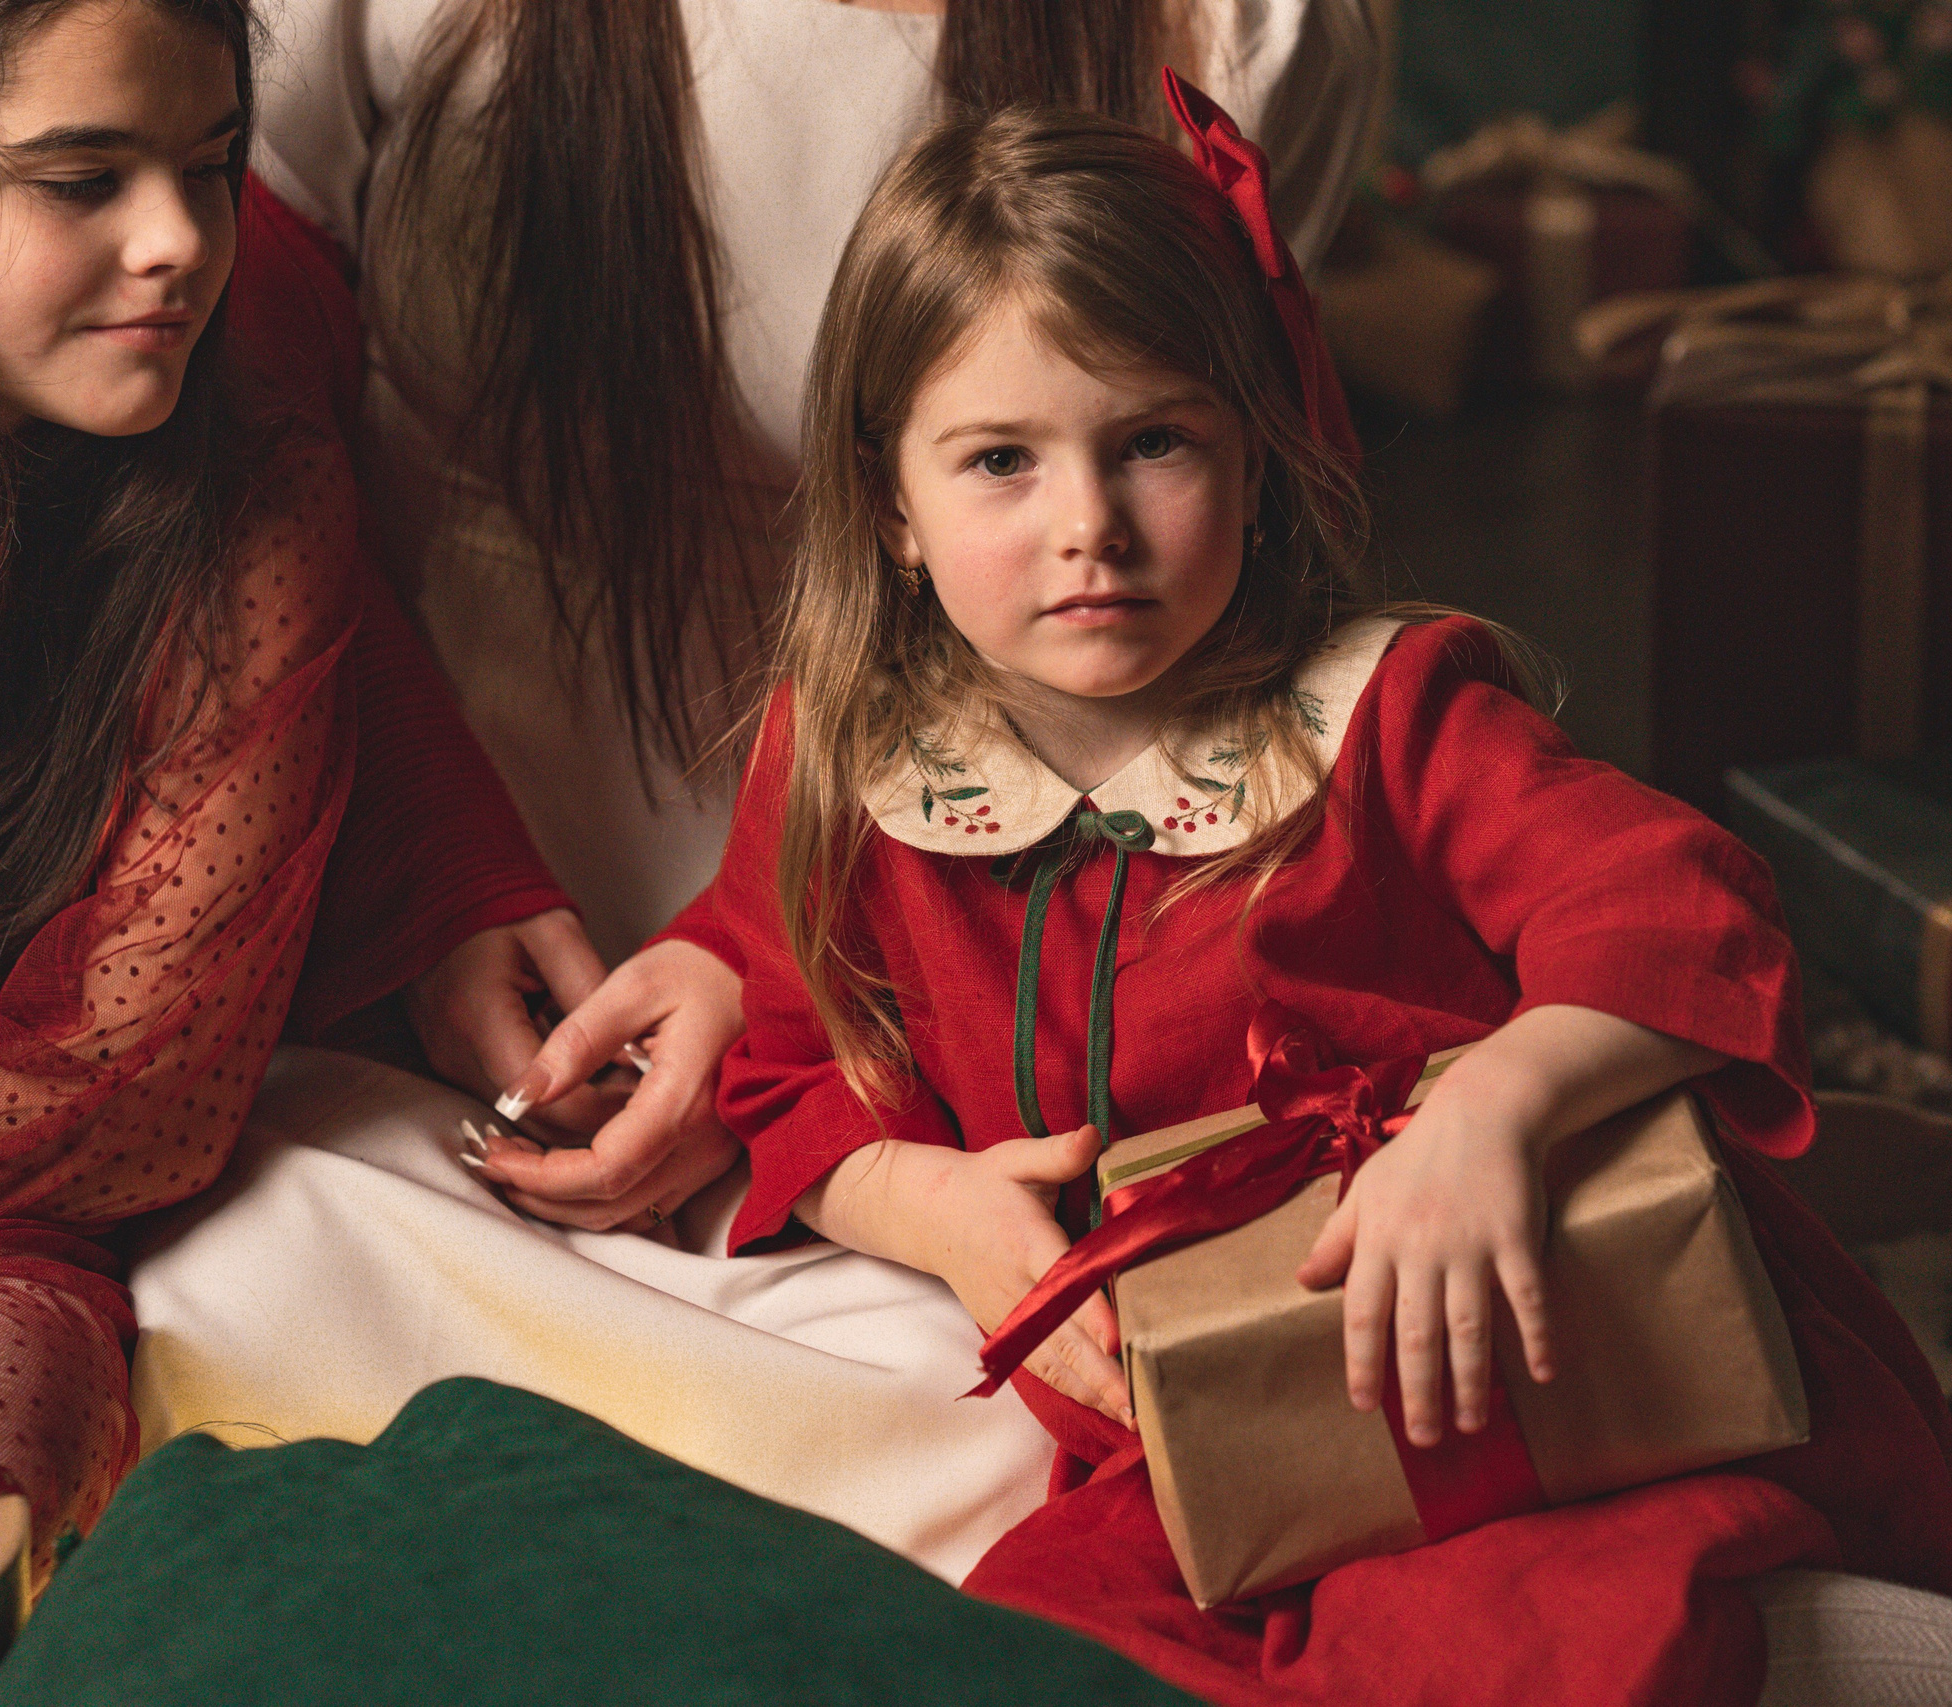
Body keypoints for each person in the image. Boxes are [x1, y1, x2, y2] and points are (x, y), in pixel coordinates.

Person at [691, 89, 1952, 1707]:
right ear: (890, 503)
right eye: (999, 460)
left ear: (1261, 455)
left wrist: (1497, 1102)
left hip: (1511, 1335)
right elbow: (778, 1068)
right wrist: (933, 1209)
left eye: (1153, 443)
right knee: (1041, 1649)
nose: (1090, 528)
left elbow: (1674, 905)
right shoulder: (852, 771)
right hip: (1187, 1413)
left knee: (1540, 1621)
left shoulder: (1389, 714)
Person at [239, 0, 1381, 1227]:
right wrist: (430, 865)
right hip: (364, 880)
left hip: (946, 1031)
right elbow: (218, 438)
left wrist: (768, 974)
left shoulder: (1252, 30)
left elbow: (1205, 564)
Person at [0, 0, 572, 1577]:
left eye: (212, 165)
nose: (175, 243)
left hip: (17, 1239)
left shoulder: (257, 510)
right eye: (81, 179)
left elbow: (135, 1096)